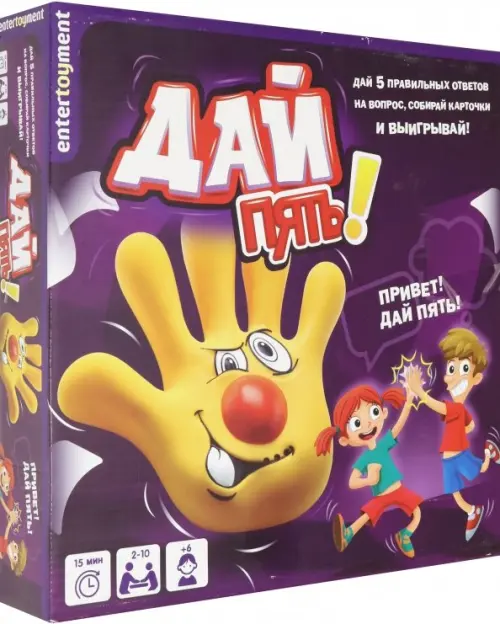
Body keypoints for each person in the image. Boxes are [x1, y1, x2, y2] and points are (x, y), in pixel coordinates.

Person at [407, 328, 500, 541]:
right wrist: (463, 430)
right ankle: (472, 510)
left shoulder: (455, 408)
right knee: (455, 489)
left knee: (474, 474)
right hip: (449, 457)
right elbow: (471, 425)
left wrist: (420, 392)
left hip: (457, 454)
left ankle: (489, 455)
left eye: (464, 368)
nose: (454, 375)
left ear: (476, 378)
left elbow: (438, 407)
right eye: (451, 368)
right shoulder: (461, 410)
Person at [316, 374, 423, 558]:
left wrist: (408, 403)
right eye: (356, 423)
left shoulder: (383, 445)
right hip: (381, 496)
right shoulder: (364, 459)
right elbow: (352, 482)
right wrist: (369, 480)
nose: (367, 424)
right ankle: (348, 534)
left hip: (398, 489)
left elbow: (398, 427)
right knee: (367, 515)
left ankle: (405, 535)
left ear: (383, 413)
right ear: (345, 440)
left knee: (417, 512)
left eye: (373, 413)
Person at [0, 509, 27, 576]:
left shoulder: (3, 552)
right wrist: (10, 522)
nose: (13, 549)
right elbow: (6, 532)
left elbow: (6, 532)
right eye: (16, 546)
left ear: (12, 564)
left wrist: (10, 522)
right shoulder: (4, 546)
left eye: (15, 557)